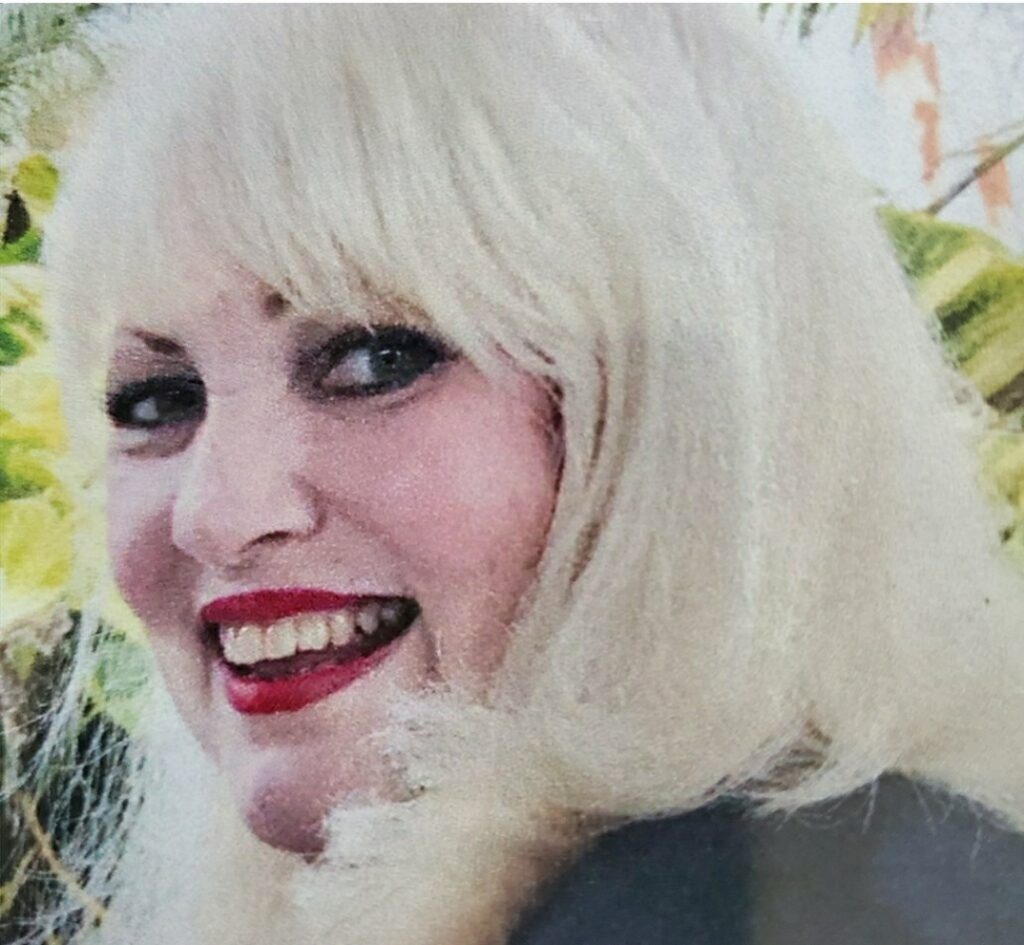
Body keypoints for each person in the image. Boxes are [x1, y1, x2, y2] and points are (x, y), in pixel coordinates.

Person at [32, 6, 1024, 944]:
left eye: (376, 358)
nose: (215, 513)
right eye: (158, 400)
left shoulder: (784, 894)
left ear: (668, 416)